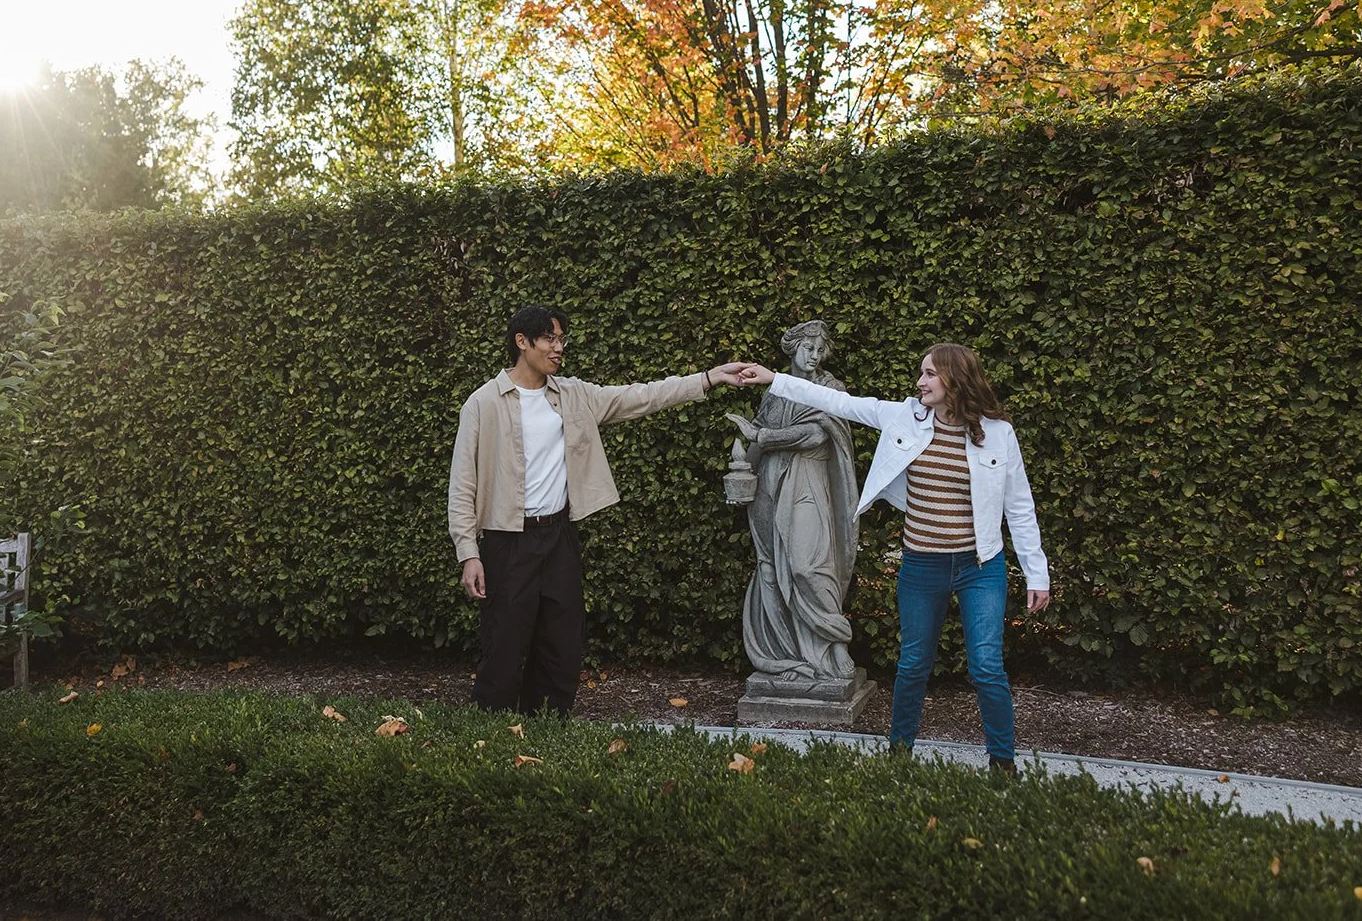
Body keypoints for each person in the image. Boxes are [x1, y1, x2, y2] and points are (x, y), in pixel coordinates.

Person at [738, 343, 1051, 775]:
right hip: (922, 565)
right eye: (920, 374)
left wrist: (1038, 574)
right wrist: (774, 378)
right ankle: (899, 756)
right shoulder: (905, 416)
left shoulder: (998, 433)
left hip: (981, 568)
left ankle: (1003, 763)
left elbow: (1019, 507)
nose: (919, 382)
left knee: (985, 665)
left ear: (955, 379)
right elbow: (839, 402)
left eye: (928, 374)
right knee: (914, 663)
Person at [449, 305, 745, 717]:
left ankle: (547, 728)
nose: (559, 348)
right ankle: (490, 735)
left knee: (561, 643)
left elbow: (639, 396)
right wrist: (469, 552)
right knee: (504, 646)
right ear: (522, 341)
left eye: (562, 340)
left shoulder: (573, 395)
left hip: (558, 538)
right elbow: (462, 484)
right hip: (506, 542)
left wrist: (708, 379)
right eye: (550, 339)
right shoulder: (482, 404)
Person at [724, 320, 861, 681]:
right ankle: (786, 655)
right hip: (771, 485)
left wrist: (764, 436)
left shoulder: (830, 388)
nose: (814, 355)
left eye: (820, 350)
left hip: (808, 483)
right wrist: (743, 475)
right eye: (808, 348)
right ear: (794, 349)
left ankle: (833, 640)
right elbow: (753, 441)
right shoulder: (774, 392)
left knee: (807, 565)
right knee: (770, 568)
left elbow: (816, 434)